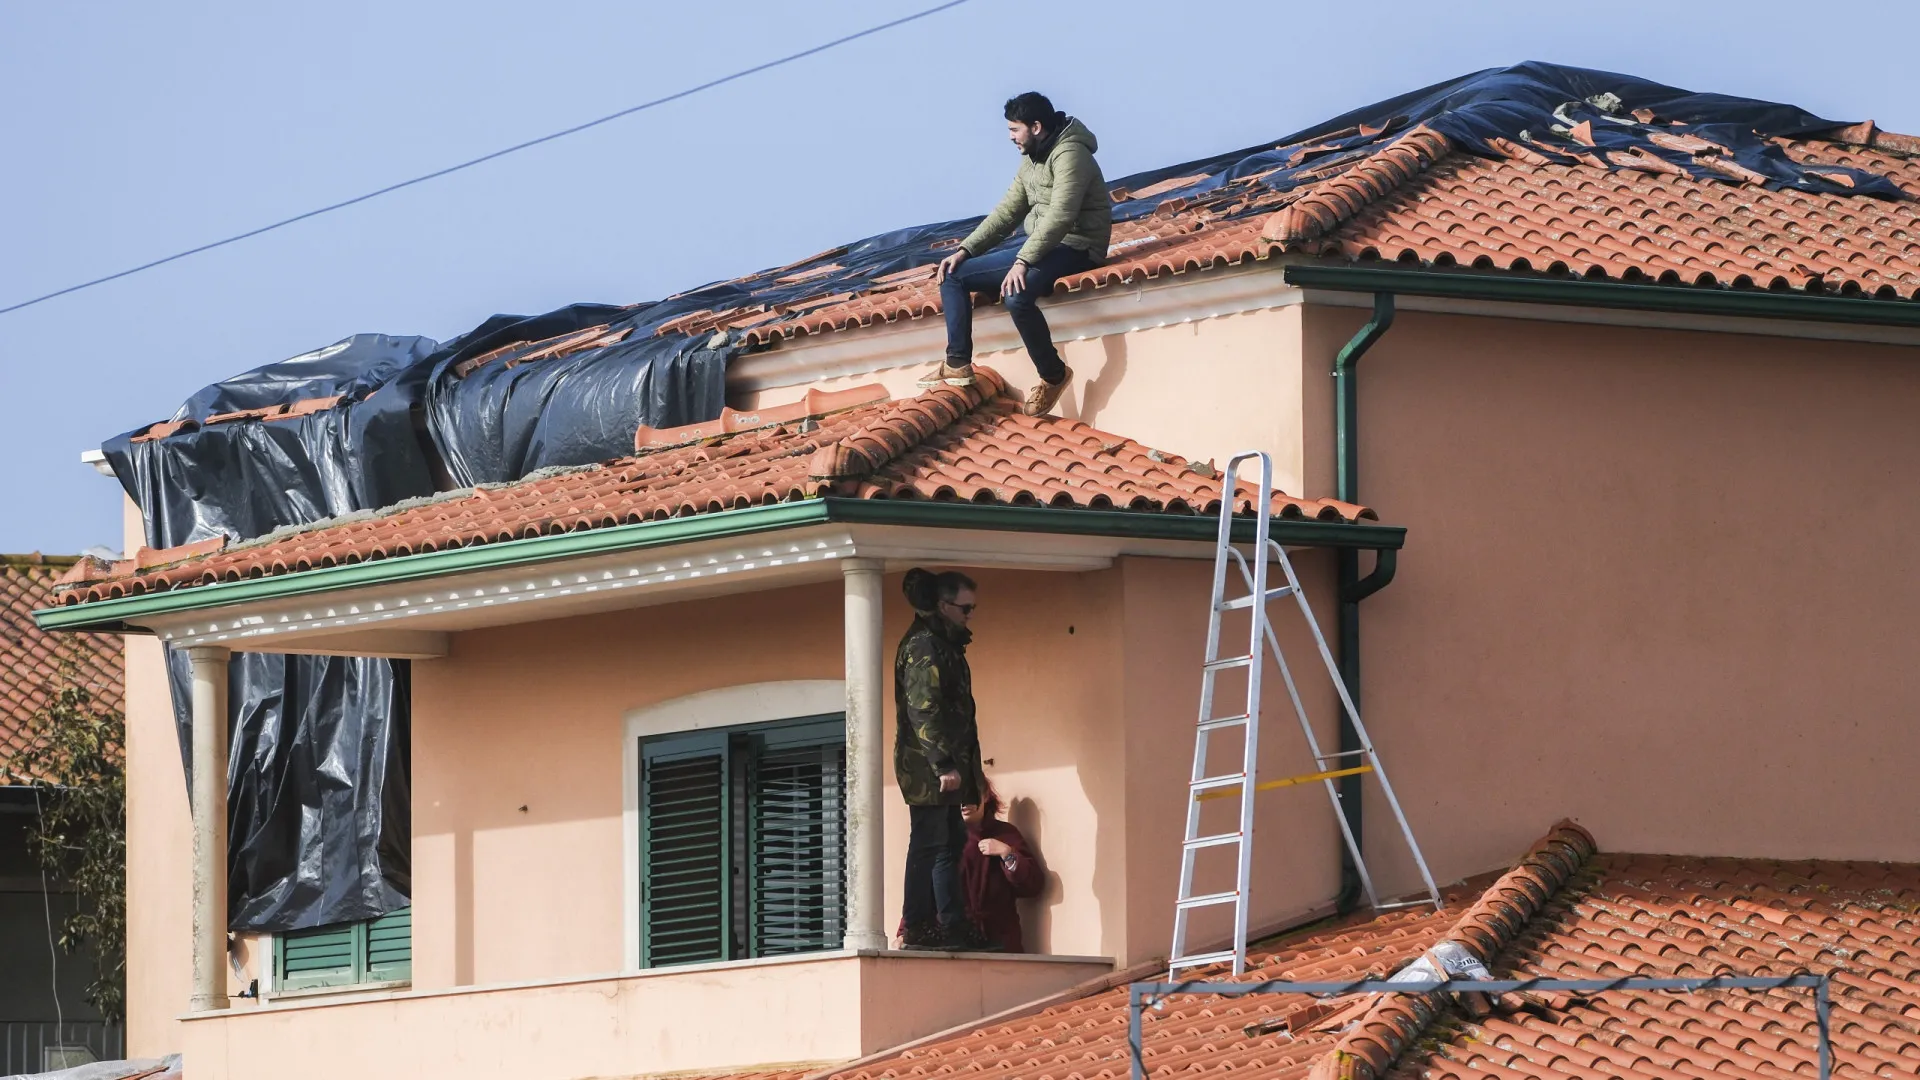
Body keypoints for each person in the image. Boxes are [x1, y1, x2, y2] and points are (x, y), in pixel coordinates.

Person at [927, 91, 1112, 418]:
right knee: (954, 275)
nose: (1011, 137)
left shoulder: (1071, 154)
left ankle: (1053, 375)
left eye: (1015, 129)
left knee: (1017, 296)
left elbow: (1062, 215)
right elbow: (1007, 213)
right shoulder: (1030, 160)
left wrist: (1023, 261)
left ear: (1036, 127)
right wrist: (965, 248)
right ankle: (957, 364)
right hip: (1044, 246)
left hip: (1079, 245)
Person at [895, 567, 989, 951]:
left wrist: (971, 773)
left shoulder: (944, 644)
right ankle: (928, 924)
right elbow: (924, 709)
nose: (970, 616)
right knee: (934, 844)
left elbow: (961, 716)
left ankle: (947, 922)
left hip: (942, 766)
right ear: (943, 605)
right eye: (965, 609)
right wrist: (943, 765)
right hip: (927, 769)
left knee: (947, 841)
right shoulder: (924, 647)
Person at [960, 785, 1045, 953]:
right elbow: (924, 888)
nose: (964, 803)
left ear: (985, 796)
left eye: (971, 794)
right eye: (958, 796)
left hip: (1000, 944)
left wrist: (1007, 853)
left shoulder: (1006, 833)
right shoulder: (944, 838)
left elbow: (1033, 885)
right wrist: (905, 932)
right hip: (957, 945)